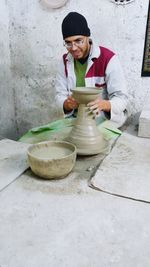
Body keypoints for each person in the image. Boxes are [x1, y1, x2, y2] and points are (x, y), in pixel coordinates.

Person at [55, 12, 129, 128]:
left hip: (103, 121)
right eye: (68, 43)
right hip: (76, 121)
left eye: (78, 41)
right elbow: (60, 95)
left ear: (87, 37)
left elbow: (122, 98)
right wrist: (67, 104)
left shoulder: (108, 58)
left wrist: (104, 104)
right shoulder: (64, 61)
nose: (73, 48)